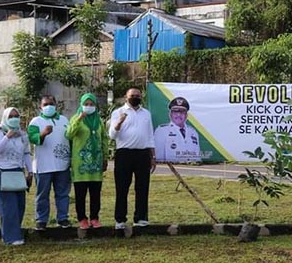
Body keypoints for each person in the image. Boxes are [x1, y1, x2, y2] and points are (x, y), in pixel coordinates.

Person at [109, 88, 156, 229]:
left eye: (138, 96)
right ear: (126, 97)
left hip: (142, 153)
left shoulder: (146, 113)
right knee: (122, 188)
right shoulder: (118, 112)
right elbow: (112, 135)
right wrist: (119, 122)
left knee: (142, 187)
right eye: (132, 95)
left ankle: (141, 218)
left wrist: (152, 156)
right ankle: (120, 219)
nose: (135, 97)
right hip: (124, 153)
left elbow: (150, 135)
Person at [0, 107, 33, 245]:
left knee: (20, 204)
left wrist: (30, 171)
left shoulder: (22, 134)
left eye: (16, 116)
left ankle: (15, 231)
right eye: (11, 116)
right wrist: (7, 136)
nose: (14, 119)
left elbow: (26, 153)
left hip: (18, 171)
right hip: (2, 171)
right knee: (8, 206)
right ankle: (11, 237)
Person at [27, 95, 72, 230]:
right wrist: (43, 134)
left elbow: (70, 139)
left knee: (63, 194)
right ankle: (41, 220)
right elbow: (32, 138)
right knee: (42, 195)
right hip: (43, 166)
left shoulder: (64, 120)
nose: (49, 107)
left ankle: (63, 218)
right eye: (45, 104)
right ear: (40, 107)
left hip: (62, 165)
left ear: (56, 105)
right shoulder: (36, 121)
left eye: (51, 104)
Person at [66, 93, 108, 230]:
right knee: (80, 194)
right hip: (81, 164)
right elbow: (69, 134)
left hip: (96, 163)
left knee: (95, 193)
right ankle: (82, 218)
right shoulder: (75, 118)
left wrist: (105, 157)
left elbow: (104, 139)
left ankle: (94, 218)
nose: (89, 107)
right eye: (86, 104)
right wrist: (79, 119)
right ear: (81, 105)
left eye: (91, 104)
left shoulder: (99, 121)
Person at [154, 96, 201, 163]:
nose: (178, 115)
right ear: (170, 114)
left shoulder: (193, 132)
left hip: (191, 168)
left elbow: (197, 157)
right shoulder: (161, 131)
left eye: (182, 112)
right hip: (171, 168)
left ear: (186, 115)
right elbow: (158, 158)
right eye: (175, 112)